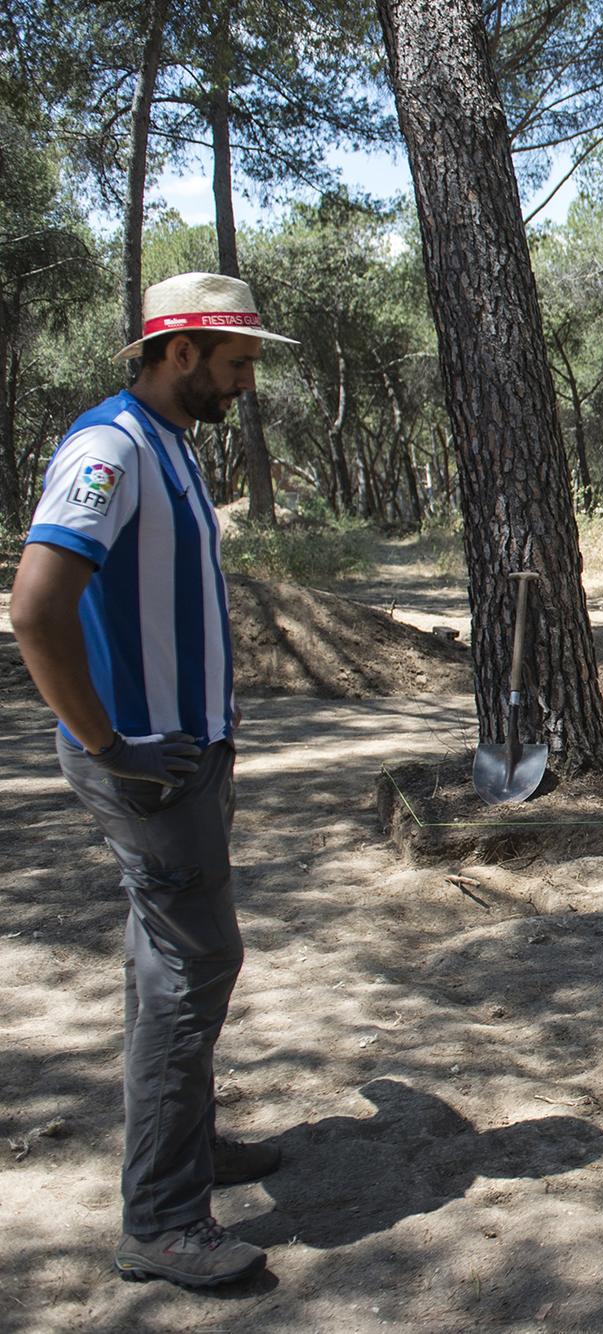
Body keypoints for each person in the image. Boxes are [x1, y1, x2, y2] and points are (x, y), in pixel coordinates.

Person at [11, 273, 297, 1288]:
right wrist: (107, 744)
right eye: (237, 362)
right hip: (147, 763)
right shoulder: (111, 448)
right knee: (192, 965)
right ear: (180, 352)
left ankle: (186, 1146)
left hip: (188, 752)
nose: (247, 382)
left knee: (166, 961)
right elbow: (35, 609)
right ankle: (164, 1219)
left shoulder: (169, 443)